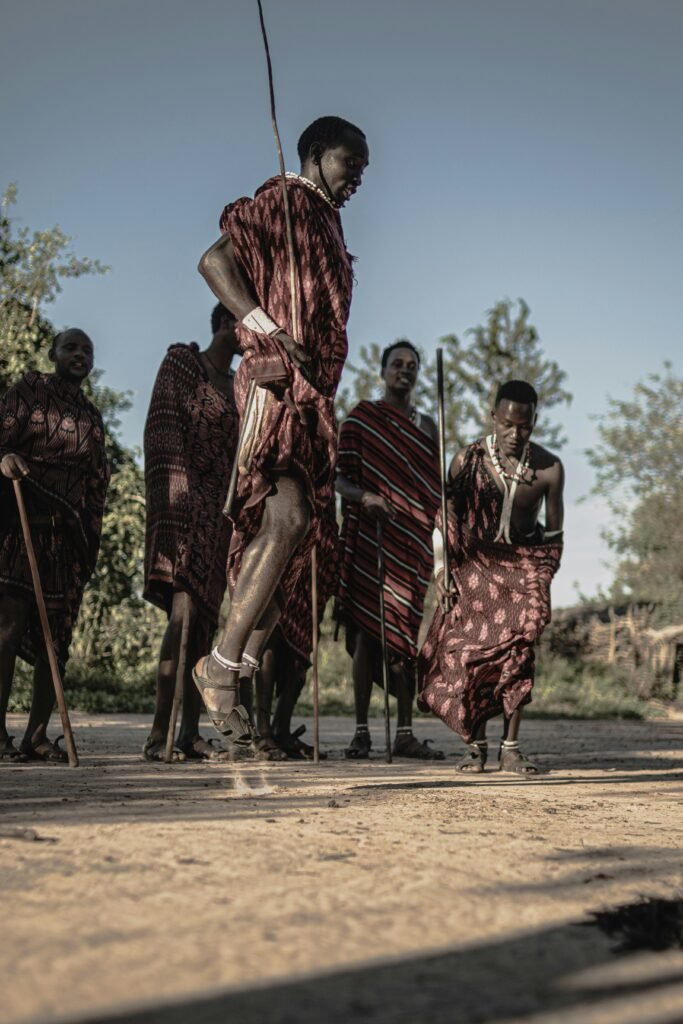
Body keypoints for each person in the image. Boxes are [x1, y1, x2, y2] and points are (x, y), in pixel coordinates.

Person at [192, 115, 369, 743]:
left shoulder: (322, 220)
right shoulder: (282, 200)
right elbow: (214, 260)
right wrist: (265, 325)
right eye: (352, 165)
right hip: (275, 386)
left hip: (312, 397)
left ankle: (228, 666)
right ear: (318, 154)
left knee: (289, 540)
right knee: (286, 519)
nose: (359, 181)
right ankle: (218, 668)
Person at [418, 380, 564, 775]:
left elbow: (553, 540)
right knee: (472, 658)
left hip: (523, 568)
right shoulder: (466, 460)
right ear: (493, 417)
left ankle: (511, 749)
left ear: (534, 423)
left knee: (520, 653)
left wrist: (541, 582)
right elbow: (444, 520)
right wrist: (441, 569)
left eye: (525, 427)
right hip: (475, 567)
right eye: (507, 424)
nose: (515, 434)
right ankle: (476, 746)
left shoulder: (549, 469)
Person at [0, 329, 109, 762]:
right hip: (19, 526)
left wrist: (86, 533)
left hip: (64, 538)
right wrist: (4, 458)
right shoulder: (29, 390)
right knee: (7, 631)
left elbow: (98, 479)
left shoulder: (92, 416)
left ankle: (37, 736)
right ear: (53, 354)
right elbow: (1, 440)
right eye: (71, 347)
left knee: (55, 641)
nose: (80, 354)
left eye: (88, 349)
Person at [336, 341, 444, 759]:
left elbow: (435, 488)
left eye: (412, 366)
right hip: (371, 539)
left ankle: (404, 733)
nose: (406, 370)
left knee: (403, 641)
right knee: (366, 635)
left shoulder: (429, 427)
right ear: (382, 371)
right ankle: (362, 731)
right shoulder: (362, 420)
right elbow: (340, 480)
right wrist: (366, 499)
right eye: (397, 364)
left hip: (412, 543)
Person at [142, 303, 239, 760]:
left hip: (220, 518)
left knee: (204, 627)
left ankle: (189, 733)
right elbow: (162, 427)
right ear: (225, 324)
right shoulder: (183, 362)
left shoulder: (242, 387)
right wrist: (179, 502)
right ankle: (159, 734)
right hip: (182, 510)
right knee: (180, 619)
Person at [249, 502, 339, 760]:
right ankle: (263, 730)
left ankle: (281, 727)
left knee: (303, 646)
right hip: (285, 535)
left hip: (320, 545)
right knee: (272, 635)